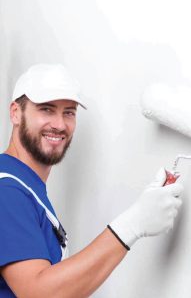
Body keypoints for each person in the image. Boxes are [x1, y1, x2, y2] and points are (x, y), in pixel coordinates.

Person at [0, 64, 183, 298]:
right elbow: (40, 293)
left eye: (69, 112)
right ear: (16, 112)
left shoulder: (26, 186)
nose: (59, 124)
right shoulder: (7, 190)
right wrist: (133, 224)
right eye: (46, 109)